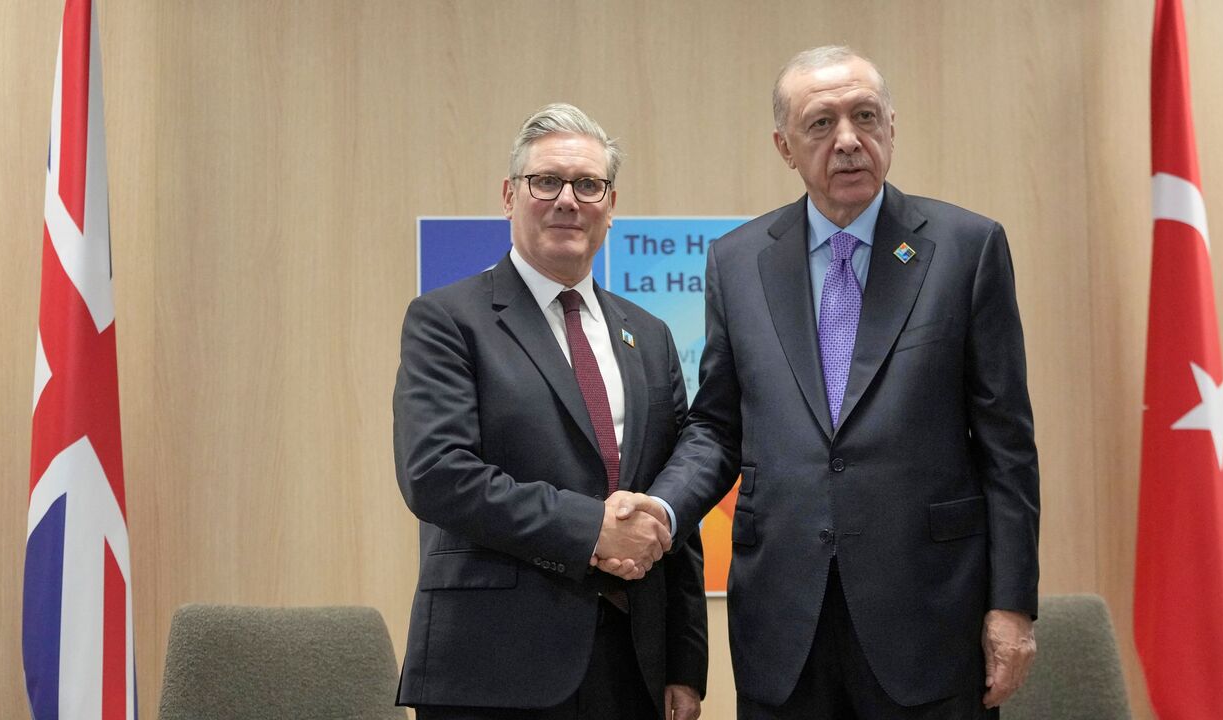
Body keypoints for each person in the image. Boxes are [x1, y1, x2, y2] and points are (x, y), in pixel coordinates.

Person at [608, 45, 1039, 718]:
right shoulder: (739, 261)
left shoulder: (965, 248)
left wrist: (1011, 606)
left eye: (865, 116)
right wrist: (661, 510)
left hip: (929, 617)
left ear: (891, 127)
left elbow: (1007, 445)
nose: (847, 141)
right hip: (785, 623)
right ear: (784, 146)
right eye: (820, 124)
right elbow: (718, 428)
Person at [392, 103, 707, 720]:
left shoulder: (650, 335)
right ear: (510, 195)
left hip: (631, 669)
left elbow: (674, 512)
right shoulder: (447, 320)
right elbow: (436, 474)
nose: (568, 199)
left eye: (588, 184)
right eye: (547, 181)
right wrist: (591, 528)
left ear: (610, 206)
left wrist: (684, 664)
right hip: (491, 667)